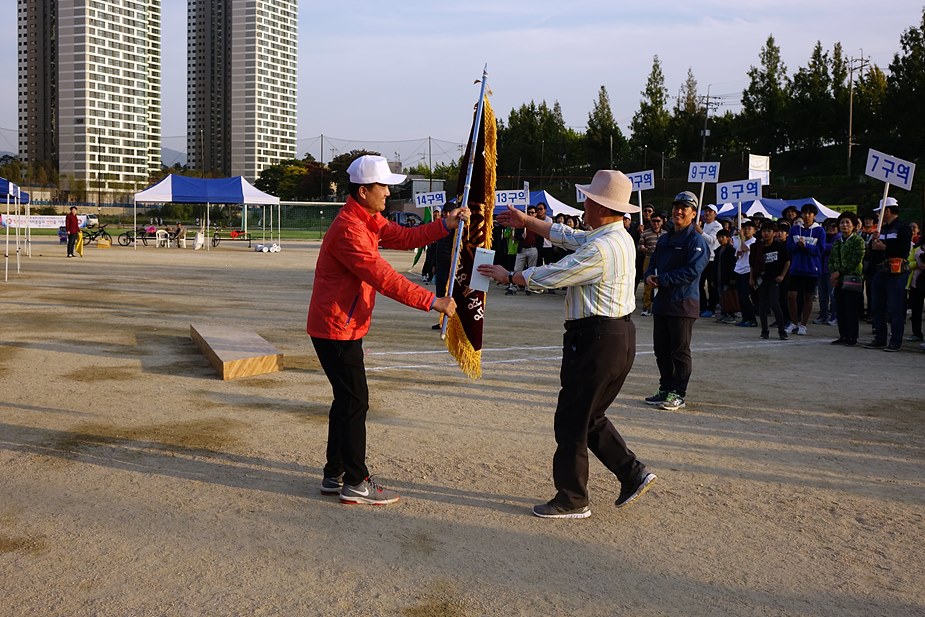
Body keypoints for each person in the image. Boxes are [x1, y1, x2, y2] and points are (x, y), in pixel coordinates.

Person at [478, 169, 655, 519]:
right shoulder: (614, 237)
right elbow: (569, 236)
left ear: (601, 206)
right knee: (590, 416)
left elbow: (558, 272)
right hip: (615, 336)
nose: (583, 204)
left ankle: (573, 498)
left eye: (588, 199)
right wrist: (527, 221)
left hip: (596, 339)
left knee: (572, 420)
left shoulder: (601, 247)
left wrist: (511, 276)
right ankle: (632, 472)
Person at [307, 155, 469, 506]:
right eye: (383, 186)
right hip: (336, 328)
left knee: (346, 400)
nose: (388, 192)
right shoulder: (350, 228)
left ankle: (335, 473)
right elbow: (383, 277)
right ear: (363, 191)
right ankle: (355, 481)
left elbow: (406, 237)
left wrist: (445, 224)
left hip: (342, 325)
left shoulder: (367, 219)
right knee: (355, 401)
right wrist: (432, 300)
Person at [643, 191, 710, 411]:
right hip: (662, 302)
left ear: (693, 213)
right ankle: (665, 388)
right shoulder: (665, 239)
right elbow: (653, 262)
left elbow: (692, 271)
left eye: (684, 208)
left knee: (679, 351)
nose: (678, 211)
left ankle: (678, 393)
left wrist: (662, 279)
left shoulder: (696, 241)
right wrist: (649, 275)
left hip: (683, 303)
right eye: (676, 207)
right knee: (661, 349)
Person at [863, 197, 913, 351]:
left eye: (880, 211)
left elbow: (904, 251)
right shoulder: (881, 229)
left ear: (888, 211)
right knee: (877, 306)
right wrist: (873, 243)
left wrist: (885, 247)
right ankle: (880, 338)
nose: (878, 215)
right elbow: (874, 251)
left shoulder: (903, 228)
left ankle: (895, 341)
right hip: (880, 270)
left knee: (895, 307)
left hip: (896, 272)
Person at [786, 203, 826, 336]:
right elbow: (789, 248)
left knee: (808, 297)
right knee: (791, 296)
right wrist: (797, 245)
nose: (807, 216)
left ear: (814, 215)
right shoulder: (794, 229)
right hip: (796, 268)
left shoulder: (819, 231)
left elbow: (821, 250)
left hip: (811, 269)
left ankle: (803, 325)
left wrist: (806, 246)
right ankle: (794, 322)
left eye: (810, 213)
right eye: (804, 213)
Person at [749, 220, 790, 340]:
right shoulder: (757, 247)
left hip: (774, 279)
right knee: (762, 305)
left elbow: (787, 261)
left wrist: (782, 276)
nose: (766, 233)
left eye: (769, 231)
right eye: (764, 231)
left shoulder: (779, 247)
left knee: (775, 304)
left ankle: (782, 331)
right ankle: (764, 331)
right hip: (761, 279)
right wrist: (751, 278)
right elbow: (752, 264)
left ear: (774, 233)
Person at [829, 212, 865, 346]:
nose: (844, 225)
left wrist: (839, 272)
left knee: (851, 309)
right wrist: (833, 273)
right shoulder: (837, 242)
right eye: (842, 222)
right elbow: (832, 259)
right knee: (840, 308)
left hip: (852, 278)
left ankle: (852, 337)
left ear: (854, 226)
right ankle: (843, 335)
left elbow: (856, 260)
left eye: (847, 222)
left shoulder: (858, 241)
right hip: (838, 280)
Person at [638, 214, 666, 315]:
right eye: (654, 221)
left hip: (662, 260)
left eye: (658, 221)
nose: (656, 223)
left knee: (663, 283)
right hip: (649, 259)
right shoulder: (645, 233)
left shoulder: (666, 234)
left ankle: (661, 307)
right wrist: (642, 248)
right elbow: (639, 245)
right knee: (647, 284)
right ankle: (646, 307)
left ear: (662, 222)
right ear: (651, 222)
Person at [697, 204, 722, 317]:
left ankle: (711, 308)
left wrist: (700, 232)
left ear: (715, 214)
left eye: (710, 211)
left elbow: (711, 240)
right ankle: (702, 306)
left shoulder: (717, 226)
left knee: (712, 285)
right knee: (699, 283)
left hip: (712, 259)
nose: (707, 213)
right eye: (706, 211)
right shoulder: (703, 225)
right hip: (702, 258)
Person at [733, 219, 757, 327]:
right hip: (739, 269)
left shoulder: (754, 241)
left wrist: (741, 239)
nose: (746, 230)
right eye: (745, 228)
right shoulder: (740, 240)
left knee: (745, 296)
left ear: (754, 231)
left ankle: (752, 319)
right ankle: (745, 318)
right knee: (740, 296)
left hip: (747, 270)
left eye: (749, 229)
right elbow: (738, 254)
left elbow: (745, 249)